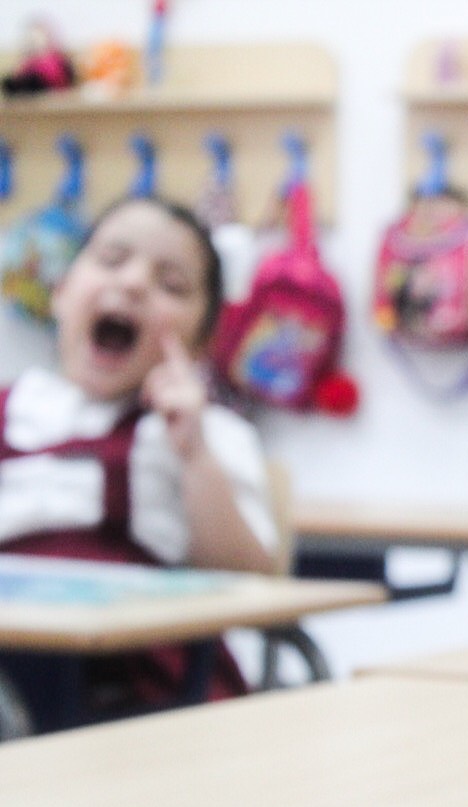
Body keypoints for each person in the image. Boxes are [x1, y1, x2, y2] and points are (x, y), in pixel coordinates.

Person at [0, 195, 277, 732]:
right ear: (60, 293)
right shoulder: (15, 408)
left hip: (144, 689)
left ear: (199, 343)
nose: (131, 284)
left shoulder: (204, 434)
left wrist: (193, 454)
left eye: (171, 285)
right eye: (110, 258)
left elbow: (252, 581)